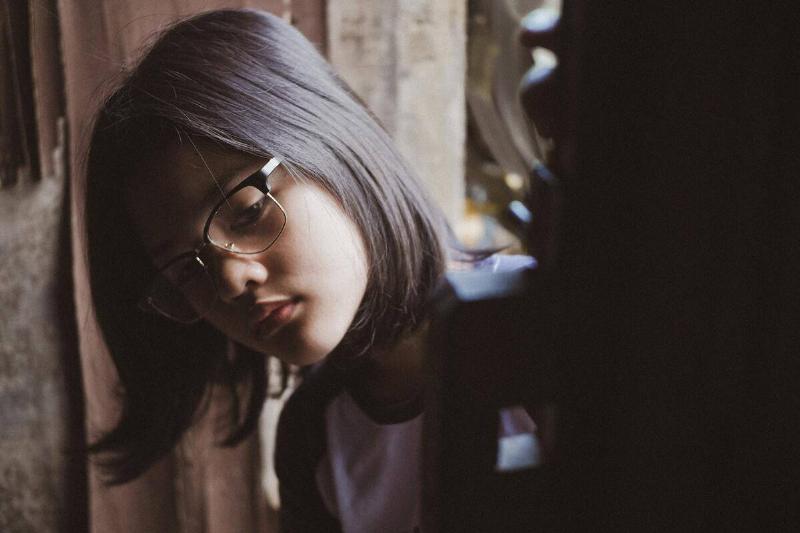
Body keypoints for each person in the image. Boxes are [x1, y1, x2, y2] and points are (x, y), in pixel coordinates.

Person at [85, 8, 535, 532]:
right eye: (187, 270)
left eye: (248, 212)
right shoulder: (313, 438)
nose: (229, 283)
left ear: (330, 144)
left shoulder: (547, 317)